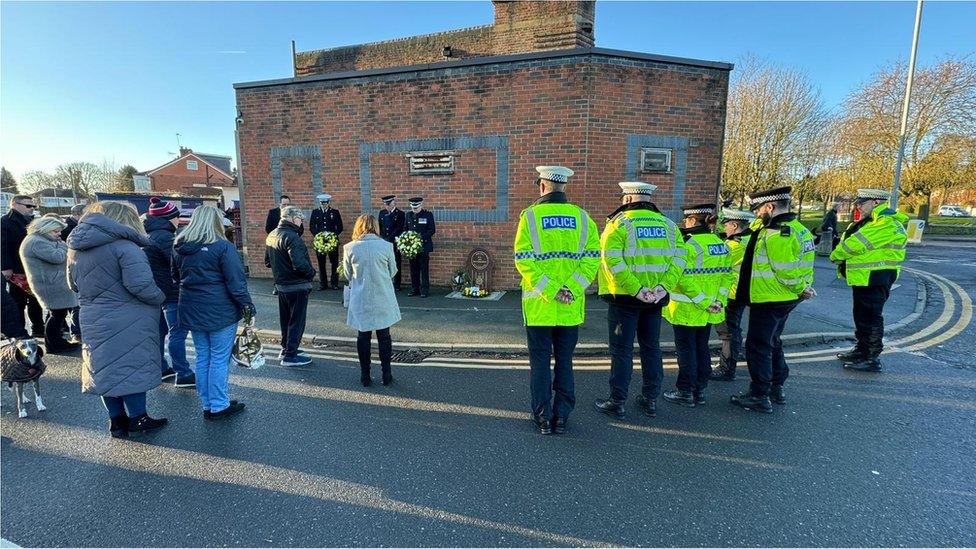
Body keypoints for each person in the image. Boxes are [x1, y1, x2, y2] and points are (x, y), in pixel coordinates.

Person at [67, 201, 168, 438]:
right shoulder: (125, 247)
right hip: (128, 316)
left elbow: (72, 284)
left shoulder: (76, 249)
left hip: (92, 314)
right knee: (130, 366)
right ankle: (138, 418)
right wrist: (160, 297)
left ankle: (116, 421)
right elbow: (141, 286)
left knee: (104, 368)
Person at [514, 166, 600, 435]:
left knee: (540, 361)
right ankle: (561, 417)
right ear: (564, 187)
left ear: (541, 186)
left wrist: (551, 290)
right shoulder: (583, 218)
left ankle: (542, 416)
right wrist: (571, 289)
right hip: (570, 307)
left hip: (540, 306)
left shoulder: (529, 217)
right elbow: (592, 259)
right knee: (565, 360)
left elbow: (524, 260)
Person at [593, 182, 684, 419]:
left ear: (629, 198)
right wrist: (663, 288)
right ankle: (650, 399)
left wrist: (637, 289)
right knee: (651, 348)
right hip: (655, 300)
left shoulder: (619, 224)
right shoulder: (669, 225)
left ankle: (617, 401)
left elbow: (612, 261)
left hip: (625, 300)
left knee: (622, 351)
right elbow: (680, 261)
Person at [731, 186, 816, 414]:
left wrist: (801, 288)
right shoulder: (798, 229)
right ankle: (776, 386)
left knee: (758, 346)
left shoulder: (779, 234)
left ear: (770, 207)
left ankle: (759, 394)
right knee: (773, 341)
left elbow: (786, 270)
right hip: (784, 297)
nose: (756, 214)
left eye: (758, 209)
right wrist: (803, 288)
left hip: (770, 297)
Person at [173, 205, 254, 418]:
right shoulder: (223, 247)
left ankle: (208, 403)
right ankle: (219, 404)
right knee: (219, 358)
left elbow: (175, 276)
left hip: (191, 308)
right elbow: (236, 283)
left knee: (203, 357)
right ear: (216, 222)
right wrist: (247, 306)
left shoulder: (180, 247)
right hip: (220, 310)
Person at [830, 189, 908, 373]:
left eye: (861, 203)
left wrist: (836, 255)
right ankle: (861, 350)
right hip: (867, 277)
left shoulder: (885, 222)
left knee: (871, 317)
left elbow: (855, 244)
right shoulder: (872, 221)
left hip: (876, 277)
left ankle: (871, 357)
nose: (857, 206)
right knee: (862, 316)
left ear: (875, 202)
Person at [662, 204, 731, 408]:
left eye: (686, 220)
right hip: (711, 308)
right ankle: (699, 390)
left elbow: (682, 278)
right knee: (701, 347)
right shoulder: (720, 243)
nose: (684, 224)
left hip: (688, 308)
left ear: (692, 220)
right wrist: (718, 301)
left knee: (686, 350)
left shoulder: (688, 244)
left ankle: (684, 391)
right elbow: (727, 276)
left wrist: (704, 301)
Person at [342, 214, 401, 387]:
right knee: (384, 337)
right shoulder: (386, 246)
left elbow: (347, 274)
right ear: (376, 226)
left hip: (361, 297)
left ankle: (365, 376)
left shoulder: (349, 248)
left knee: (363, 337)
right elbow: (393, 271)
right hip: (382, 296)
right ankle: (386, 375)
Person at [143, 197, 194, 388]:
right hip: (172, 293)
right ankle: (183, 373)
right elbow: (177, 263)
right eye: (176, 216)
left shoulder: (149, 234)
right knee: (177, 333)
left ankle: (162, 368)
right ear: (168, 218)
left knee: (161, 331)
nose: (178, 220)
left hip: (156, 292)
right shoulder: (165, 237)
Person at [19, 214, 80, 353]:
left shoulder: (39, 240)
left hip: (53, 281)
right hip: (50, 283)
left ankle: (56, 342)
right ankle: (54, 344)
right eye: (56, 231)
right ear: (45, 229)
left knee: (58, 314)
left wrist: (61, 245)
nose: (59, 234)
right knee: (57, 314)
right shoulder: (36, 241)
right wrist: (66, 247)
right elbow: (57, 257)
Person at [266, 205, 315, 366]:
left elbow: (268, 262)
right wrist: (311, 273)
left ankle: (286, 348)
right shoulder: (292, 237)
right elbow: (300, 264)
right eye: (300, 219)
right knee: (296, 321)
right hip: (297, 286)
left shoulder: (272, 234)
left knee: (285, 319)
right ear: (293, 218)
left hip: (281, 285)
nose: (302, 222)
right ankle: (290, 356)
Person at [710, 209, 756, 382]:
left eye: (727, 225)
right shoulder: (749, 239)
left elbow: (716, 261)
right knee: (734, 329)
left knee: (728, 331)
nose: (725, 228)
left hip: (731, 293)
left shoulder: (734, 246)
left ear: (735, 225)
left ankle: (727, 368)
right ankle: (732, 359)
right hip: (742, 292)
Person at [2, 195, 45, 337]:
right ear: (14, 204)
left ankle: (38, 328)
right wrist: (6, 267)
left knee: (36, 300)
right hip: (16, 269)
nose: (32, 209)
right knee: (18, 302)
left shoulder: (32, 221)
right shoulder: (5, 222)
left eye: (33, 206)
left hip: (32, 267)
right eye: (28, 206)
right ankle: (20, 332)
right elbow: (3, 246)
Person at [310, 193, 344, 290]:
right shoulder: (315, 212)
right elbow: (312, 227)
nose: (323, 204)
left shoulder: (335, 212)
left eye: (325, 203)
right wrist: (319, 235)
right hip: (320, 242)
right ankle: (323, 284)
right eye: (322, 203)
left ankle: (334, 283)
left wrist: (332, 235)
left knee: (334, 262)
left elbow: (340, 227)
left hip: (332, 241)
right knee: (321, 263)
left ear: (329, 202)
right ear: (319, 203)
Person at [62, 204, 86, 342]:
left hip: (76, 270)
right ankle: (76, 332)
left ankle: (76, 331)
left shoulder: (77, 227)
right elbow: (68, 254)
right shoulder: (68, 229)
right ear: (78, 214)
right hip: (75, 270)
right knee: (76, 305)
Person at [405, 197, 435, 297]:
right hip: (411, 248)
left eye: (416, 208)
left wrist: (420, 238)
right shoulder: (408, 215)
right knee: (413, 269)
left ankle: (425, 290)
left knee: (424, 269)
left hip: (423, 246)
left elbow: (432, 230)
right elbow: (405, 229)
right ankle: (415, 289)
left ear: (420, 205)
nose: (415, 209)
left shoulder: (427, 215)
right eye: (413, 208)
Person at [378, 195, 406, 291]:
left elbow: (399, 228)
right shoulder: (382, 213)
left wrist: (389, 238)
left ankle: (397, 284)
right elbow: (380, 227)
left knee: (396, 263)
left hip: (394, 242)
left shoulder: (400, 214)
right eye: (385, 205)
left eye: (388, 204)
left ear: (393, 203)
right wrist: (382, 238)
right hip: (384, 241)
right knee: (384, 263)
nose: (387, 207)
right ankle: (386, 282)